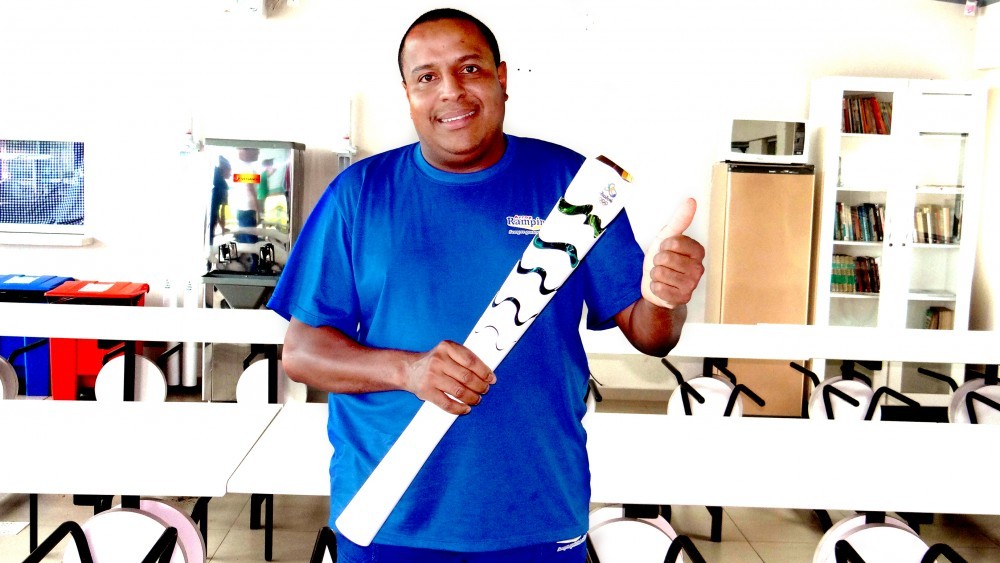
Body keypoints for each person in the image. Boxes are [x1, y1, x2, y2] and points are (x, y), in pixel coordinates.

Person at [267, 8, 705, 562]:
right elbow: (302, 353)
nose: (451, 90)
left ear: (501, 78)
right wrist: (408, 371)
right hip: (387, 513)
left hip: (536, 508)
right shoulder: (358, 195)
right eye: (427, 76)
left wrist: (665, 299)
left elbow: (652, 334)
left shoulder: (574, 187)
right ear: (408, 95)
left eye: (469, 68)